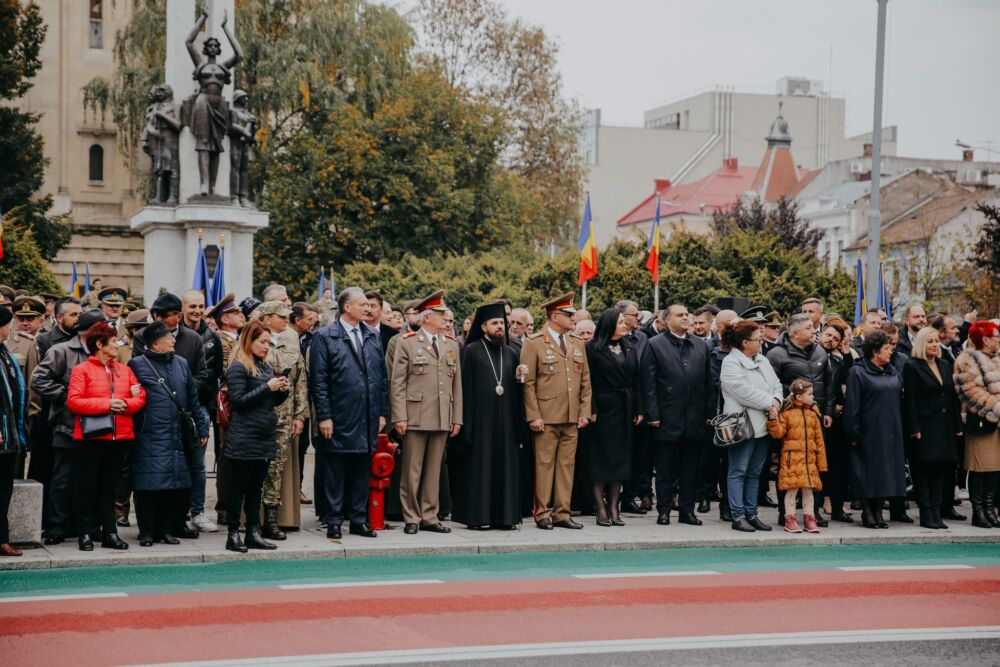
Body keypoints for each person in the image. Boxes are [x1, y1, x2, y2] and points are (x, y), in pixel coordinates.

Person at [310, 287, 386, 539]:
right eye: (362, 304)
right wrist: (324, 415)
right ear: (347, 308)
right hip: (339, 414)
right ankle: (333, 520)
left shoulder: (372, 335)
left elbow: (380, 377)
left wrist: (382, 412)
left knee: (361, 469)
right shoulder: (325, 336)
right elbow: (318, 380)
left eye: (368, 304)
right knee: (335, 469)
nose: (368, 308)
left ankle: (358, 519)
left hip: (367, 414)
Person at [128, 321, 210, 546]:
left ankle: (164, 531)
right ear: (155, 344)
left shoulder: (182, 364)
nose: (173, 340)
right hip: (148, 433)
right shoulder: (136, 364)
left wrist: (201, 427)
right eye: (168, 337)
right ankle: (146, 532)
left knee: (171, 484)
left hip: (176, 433)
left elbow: (193, 399)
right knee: (147, 486)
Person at [66, 322, 146, 551]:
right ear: (100, 345)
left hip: (120, 437)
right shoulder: (81, 370)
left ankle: (110, 532)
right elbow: (74, 401)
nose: (118, 345)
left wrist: (125, 406)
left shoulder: (124, 370)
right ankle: (86, 533)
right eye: (113, 342)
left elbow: (140, 396)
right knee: (87, 487)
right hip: (90, 439)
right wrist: (108, 404)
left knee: (110, 488)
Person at [31, 308, 108, 545]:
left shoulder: (104, 354)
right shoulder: (61, 351)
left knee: (91, 479)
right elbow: (38, 380)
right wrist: (68, 396)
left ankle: (88, 525)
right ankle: (56, 527)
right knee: (62, 480)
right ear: (87, 334)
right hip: (67, 424)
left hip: (96, 426)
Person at [391, 290, 462, 535]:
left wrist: (457, 417)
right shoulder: (408, 342)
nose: (445, 319)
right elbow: (398, 382)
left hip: (443, 414)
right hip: (416, 414)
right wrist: (399, 415)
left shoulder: (451, 344)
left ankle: (429, 515)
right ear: (427, 317)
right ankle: (411, 516)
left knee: (434, 470)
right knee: (412, 469)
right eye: (440, 314)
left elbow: (457, 385)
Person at [521, 293, 591, 530]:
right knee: (544, 465)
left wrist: (584, 411)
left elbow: (585, 381)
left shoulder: (576, 342)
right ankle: (543, 513)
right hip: (546, 416)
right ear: (554, 316)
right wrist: (534, 415)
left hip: (571, 415)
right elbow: (528, 383)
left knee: (566, 466)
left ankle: (563, 512)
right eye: (568, 314)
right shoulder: (534, 342)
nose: (573, 318)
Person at [450, 303, 521, 529]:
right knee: (481, 468)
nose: (500, 327)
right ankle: (480, 517)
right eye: (495, 323)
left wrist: (520, 380)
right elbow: (464, 388)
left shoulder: (511, 352)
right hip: (480, 422)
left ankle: (505, 518)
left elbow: (514, 391)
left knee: (504, 468)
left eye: (502, 323)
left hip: (506, 423)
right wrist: (465, 422)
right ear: (483, 327)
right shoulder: (471, 350)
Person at [642, 304, 712, 527]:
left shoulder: (700, 345)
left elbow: (709, 382)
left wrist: (709, 413)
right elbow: (649, 383)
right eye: (680, 315)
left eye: (686, 315)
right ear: (667, 319)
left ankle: (687, 510)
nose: (686, 318)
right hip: (666, 416)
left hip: (694, 417)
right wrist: (652, 413)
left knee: (690, 469)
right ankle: (663, 510)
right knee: (664, 469)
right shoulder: (655, 344)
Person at [223, 320, 289, 552]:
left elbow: (270, 402)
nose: (266, 346)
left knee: (256, 489)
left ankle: (253, 531)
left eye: (268, 342)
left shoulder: (266, 366)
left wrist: (282, 390)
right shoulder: (238, 366)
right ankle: (233, 534)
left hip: (264, 434)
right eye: (262, 341)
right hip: (244, 436)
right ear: (249, 340)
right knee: (238, 488)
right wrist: (267, 388)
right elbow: (238, 401)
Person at [766, 313, 834, 526]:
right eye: (808, 327)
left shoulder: (819, 350)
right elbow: (771, 385)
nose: (814, 330)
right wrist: (791, 400)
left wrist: (828, 411)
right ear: (794, 332)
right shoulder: (777, 354)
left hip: (815, 416)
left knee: (811, 464)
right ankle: (784, 513)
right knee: (787, 466)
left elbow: (829, 382)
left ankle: (812, 512)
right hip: (790, 419)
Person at [719, 320, 783, 532]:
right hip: (742, 426)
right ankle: (738, 516)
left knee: (755, 472)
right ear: (745, 342)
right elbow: (741, 390)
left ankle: (751, 513)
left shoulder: (763, 360)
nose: (762, 341)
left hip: (764, 424)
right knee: (738, 471)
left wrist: (776, 401)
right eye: (758, 338)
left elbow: (776, 385)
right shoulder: (730, 363)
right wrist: (769, 403)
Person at [585, 308, 643, 527]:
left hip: (625, 408)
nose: (624, 324)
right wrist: (590, 408)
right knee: (601, 460)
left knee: (621, 461)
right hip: (602, 409)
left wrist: (640, 409)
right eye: (620, 321)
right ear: (609, 323)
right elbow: (586, 381)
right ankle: (600, 507)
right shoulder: (592, 348)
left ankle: (614, 507)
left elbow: (637, 379)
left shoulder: (629, 346)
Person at [844, 330, 907, 529]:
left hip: (891, 431)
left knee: (886, 473)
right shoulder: (858, 371)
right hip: (868, 432)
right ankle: (867, 512)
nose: (891, 352)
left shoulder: (892, 371)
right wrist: (853, 433)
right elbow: (852, 405)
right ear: (875, 351)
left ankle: (879, 511)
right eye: (887, 349)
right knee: (866, 473)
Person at [257, 301, 308, 537]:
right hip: (258, 416)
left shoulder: (290, 344)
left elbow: (301, 383)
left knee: (276, 468)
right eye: (281, 316)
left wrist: (300, 415)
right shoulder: (252, 344)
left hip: (285, 417)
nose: (286, 320)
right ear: (266, 318)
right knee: (255, 468)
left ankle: (271, 519)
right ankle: (250, 517)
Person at [903, 327, 962, 529]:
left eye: (937, 341)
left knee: (940, 471)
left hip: (945, 427)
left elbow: (953, 398)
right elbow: (909, 400)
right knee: (923, 472)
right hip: (924, 427)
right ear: (921, 344)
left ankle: (937, 513)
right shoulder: (912, 366)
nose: (935, 345)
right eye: (930, 341)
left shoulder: (945, 365)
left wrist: (957, 425)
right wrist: (914, 427)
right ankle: (926, 514)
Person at [181, 289, 222, 533]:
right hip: (175, 408)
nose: (197, 310)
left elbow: (213, 374)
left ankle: (198, 512)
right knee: (177, 461)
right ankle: (178, 511)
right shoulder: (173, 335)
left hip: (201, 407)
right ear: (183, 308)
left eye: (200, 306)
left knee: (197, 463)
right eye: (192, 306)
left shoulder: (212, 336)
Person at [953, 321, 1000, 529]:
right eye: (995, 336)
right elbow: (971, 392)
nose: (998, 339)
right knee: (981, 467)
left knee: (995, 469)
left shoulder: (997, 358)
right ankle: (978, 511)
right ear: (986, 338)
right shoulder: (967, 359)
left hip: (997, 423)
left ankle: (990, 509)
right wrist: (998, 408)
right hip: (982, 422)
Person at [768, 379, 828, 533]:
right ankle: (790, 519)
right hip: (792, 459)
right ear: (799, 397)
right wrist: (773, 420)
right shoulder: (787, 414)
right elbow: (778, 433)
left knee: (809, 490)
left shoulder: (813, 414)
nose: (813, 397)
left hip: (809, 460)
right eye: (810, 394)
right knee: (792, 490)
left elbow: (819, 440)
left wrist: (821, 464)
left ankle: (810, 519)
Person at [206, 293, 243, 527]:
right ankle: (224, 506)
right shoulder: (221, 341)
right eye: (235, 313)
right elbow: (227, 372)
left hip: (239, 403)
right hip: (228, 405)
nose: (241, 315)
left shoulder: (237, 339)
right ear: (224, 319)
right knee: (227, 458)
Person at [818, 319, 854, 523]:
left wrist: (847, 352)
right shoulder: (813, 356)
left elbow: (849, 378)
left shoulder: (839, 360)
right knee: (821, 465)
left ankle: (838, 507)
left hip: (838, 419)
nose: (831, 340)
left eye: (836, 339)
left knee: (839, 465)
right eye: (829, 335)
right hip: (819, 415)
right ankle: (819, 504)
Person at [0, 306, 27, 556]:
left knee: (4, 489)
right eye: (8, 324)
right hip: (1, 432)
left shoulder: (5, 353)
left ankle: (2, 538)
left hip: (9, 434)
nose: (11, 329)